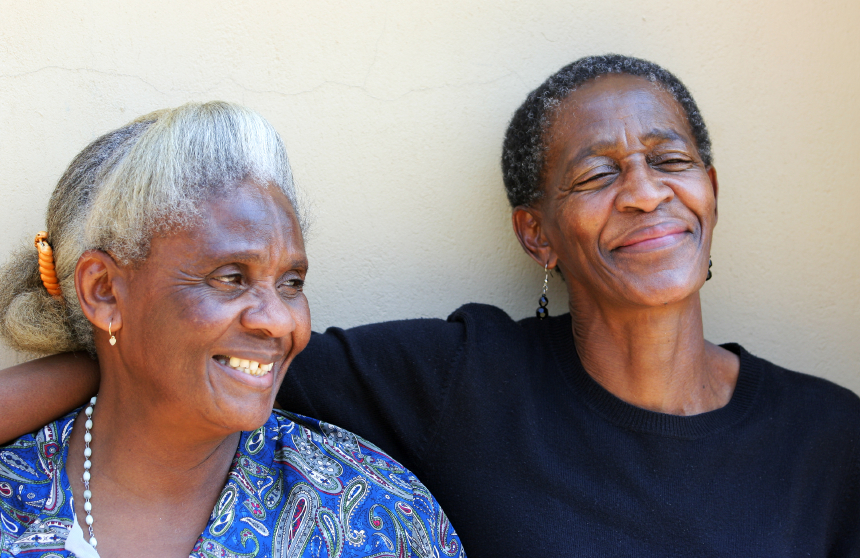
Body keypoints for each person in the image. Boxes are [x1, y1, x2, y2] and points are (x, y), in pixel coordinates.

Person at [2, 55, 859, 557]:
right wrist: (103, 350)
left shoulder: (831, 440)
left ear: (711, 186)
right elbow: (192, 367)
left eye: (670, 161)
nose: (643, 194)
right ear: (537, 234)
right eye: (597, 175)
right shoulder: (463, 381)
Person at [0, 102, 464, 558]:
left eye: (291, 284)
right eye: (230, 277)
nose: (280, 320)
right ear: (104, 291)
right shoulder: (13, 501)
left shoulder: (372, 516)